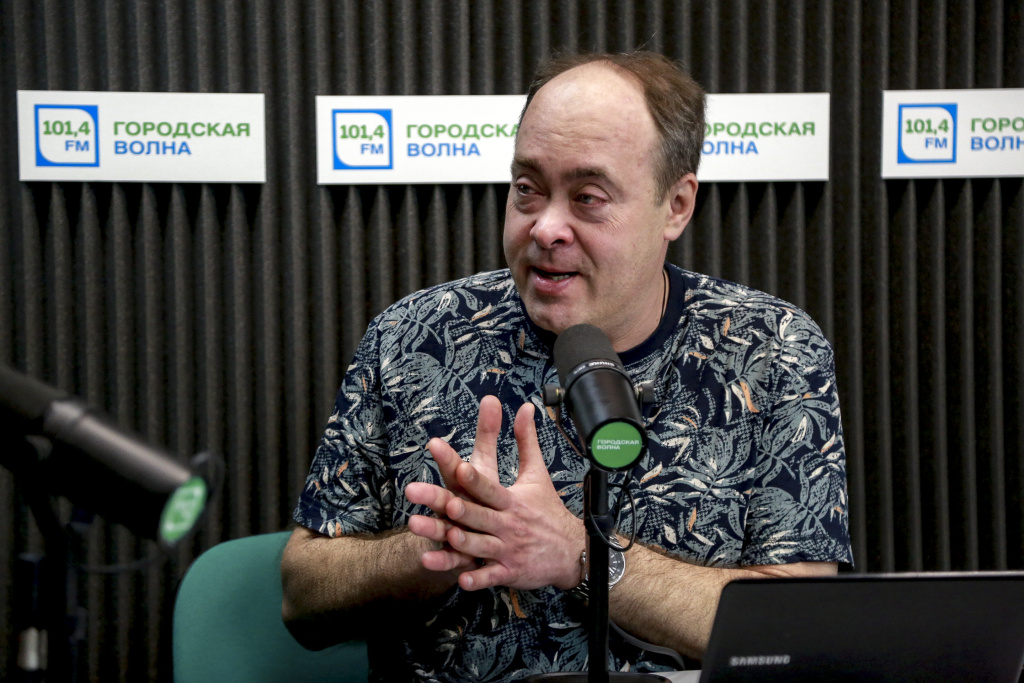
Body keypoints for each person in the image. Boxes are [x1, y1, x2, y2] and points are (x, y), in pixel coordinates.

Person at [281, 51, 852, 681]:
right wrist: (443, 542)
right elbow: (302, 600)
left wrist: (582, 554)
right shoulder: (414, 336)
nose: (546, 227)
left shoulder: (772, 348)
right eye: (527, 189)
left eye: (588, 198)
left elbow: (798, 627)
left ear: (676, 205)